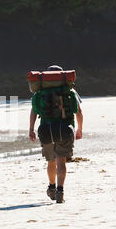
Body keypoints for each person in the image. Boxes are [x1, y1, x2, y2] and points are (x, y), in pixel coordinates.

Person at [28, 65, 83, 203]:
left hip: (46, 130)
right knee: (61, 160)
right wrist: (79, 129)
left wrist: (31, 129)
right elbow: (79, 111)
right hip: (65, 129)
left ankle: (51, 187)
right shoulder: (70, 91)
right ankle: (60, 191)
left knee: (51, 161)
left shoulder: (39, 93)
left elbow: (34, 111)